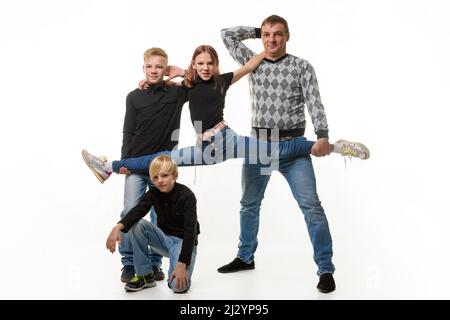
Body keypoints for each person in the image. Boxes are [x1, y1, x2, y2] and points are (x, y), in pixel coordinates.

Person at [82, 45, 369, 181]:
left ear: (216, 64)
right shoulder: (188, 85)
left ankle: (338, 147)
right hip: (204, 148)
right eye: (200, 63)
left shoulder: (223, 81)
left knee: (277, 149)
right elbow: (167, 85)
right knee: (163, 162)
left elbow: (249, 66)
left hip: (227, 140)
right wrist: (165, 77)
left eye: (210, 63)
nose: (205, 67)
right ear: (194, 64)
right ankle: (109, 168)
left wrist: (266, 49)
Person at [217, 15, 349, 293]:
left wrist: (323, 135)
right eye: (266, 34)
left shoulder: (301, 66)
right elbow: (227, 34)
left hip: (293, 149)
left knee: (312, 207)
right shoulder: (252, 62)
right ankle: (245, 257)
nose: (271, 40)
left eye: (277, 34)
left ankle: (325, 269)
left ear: (287, 36)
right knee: (249, 204)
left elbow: (315, 103)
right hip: (258, 148)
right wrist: (256, 31)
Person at [104, 47, 188, 283]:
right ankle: (129, 264)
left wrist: (181, 72)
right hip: (136, 165)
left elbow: (202, 82)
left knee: (159, 215)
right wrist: (124, 161)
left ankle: (153, 263)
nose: (154, 71)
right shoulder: (134, 96)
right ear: (143, 68)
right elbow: (128, 131)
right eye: (150, 67)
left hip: (162, 165)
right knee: (131, 210)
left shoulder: (177, 93)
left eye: (159, 66)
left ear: (166, 68)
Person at [106, 155, 199, 293]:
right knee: (137, 225)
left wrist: (181, 263)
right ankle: (145, 275)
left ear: (175, 175)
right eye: (155, 177)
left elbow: (190, 232)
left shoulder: (187, 196)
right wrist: (117, 227)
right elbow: (138, 210)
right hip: (163, 240)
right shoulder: (154, 192)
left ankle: (176, 271)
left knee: (178, 287)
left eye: (164, 176)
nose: (159, 181)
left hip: (183, 243)